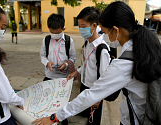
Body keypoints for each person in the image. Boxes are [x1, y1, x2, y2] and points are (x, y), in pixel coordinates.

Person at [32, 1, 161, 125]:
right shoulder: (141, 47)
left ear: (116, 30)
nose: (103, 36)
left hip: (135, 119)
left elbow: (91, 95)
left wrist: (55, 117)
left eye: (105, 32)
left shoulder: (122, 64)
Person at [68, 7, 110, 125]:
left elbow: (105, 78)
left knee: (93, 121)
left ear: (93, 25)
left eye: (83, 26)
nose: (81, 29)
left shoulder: (102, 50)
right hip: (84, 86)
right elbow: (86, 64)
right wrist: (77, 72)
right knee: (85, 116)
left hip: (95, 91)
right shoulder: (87, 42)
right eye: (79, 26)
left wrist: (99, 98)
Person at [40, 13, 76, 124]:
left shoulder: (69, 41)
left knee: (62, 101)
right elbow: (42, 55)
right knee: (49, 100)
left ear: (63, 29)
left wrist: (65, 64)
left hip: (64, 77)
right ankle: (49, 119)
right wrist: (47, 63)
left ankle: (63, 120)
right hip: (50, 76)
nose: (55, 35)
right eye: (52, 32)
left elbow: (73, 58)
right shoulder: (46, 40)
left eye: (58, 33)